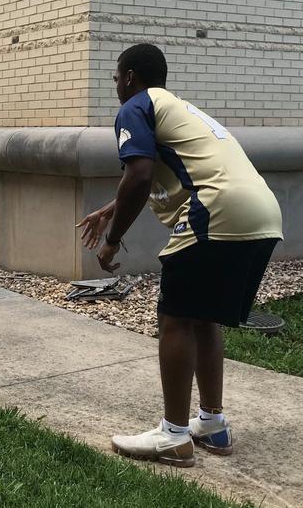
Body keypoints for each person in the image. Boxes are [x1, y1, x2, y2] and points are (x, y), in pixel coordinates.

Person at [76, 44, 282, 467]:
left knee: (174, 318)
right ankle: (212, 423)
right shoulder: (178, 107)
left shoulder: (135, 106)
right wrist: (109, 210)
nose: (115, 86)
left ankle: (173, 435)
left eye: (115, 78)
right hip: (262, 211)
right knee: (202, 317)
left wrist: (112, 239)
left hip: (217, 210)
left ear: (130, 76)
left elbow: (139, 174)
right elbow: (165, 171)